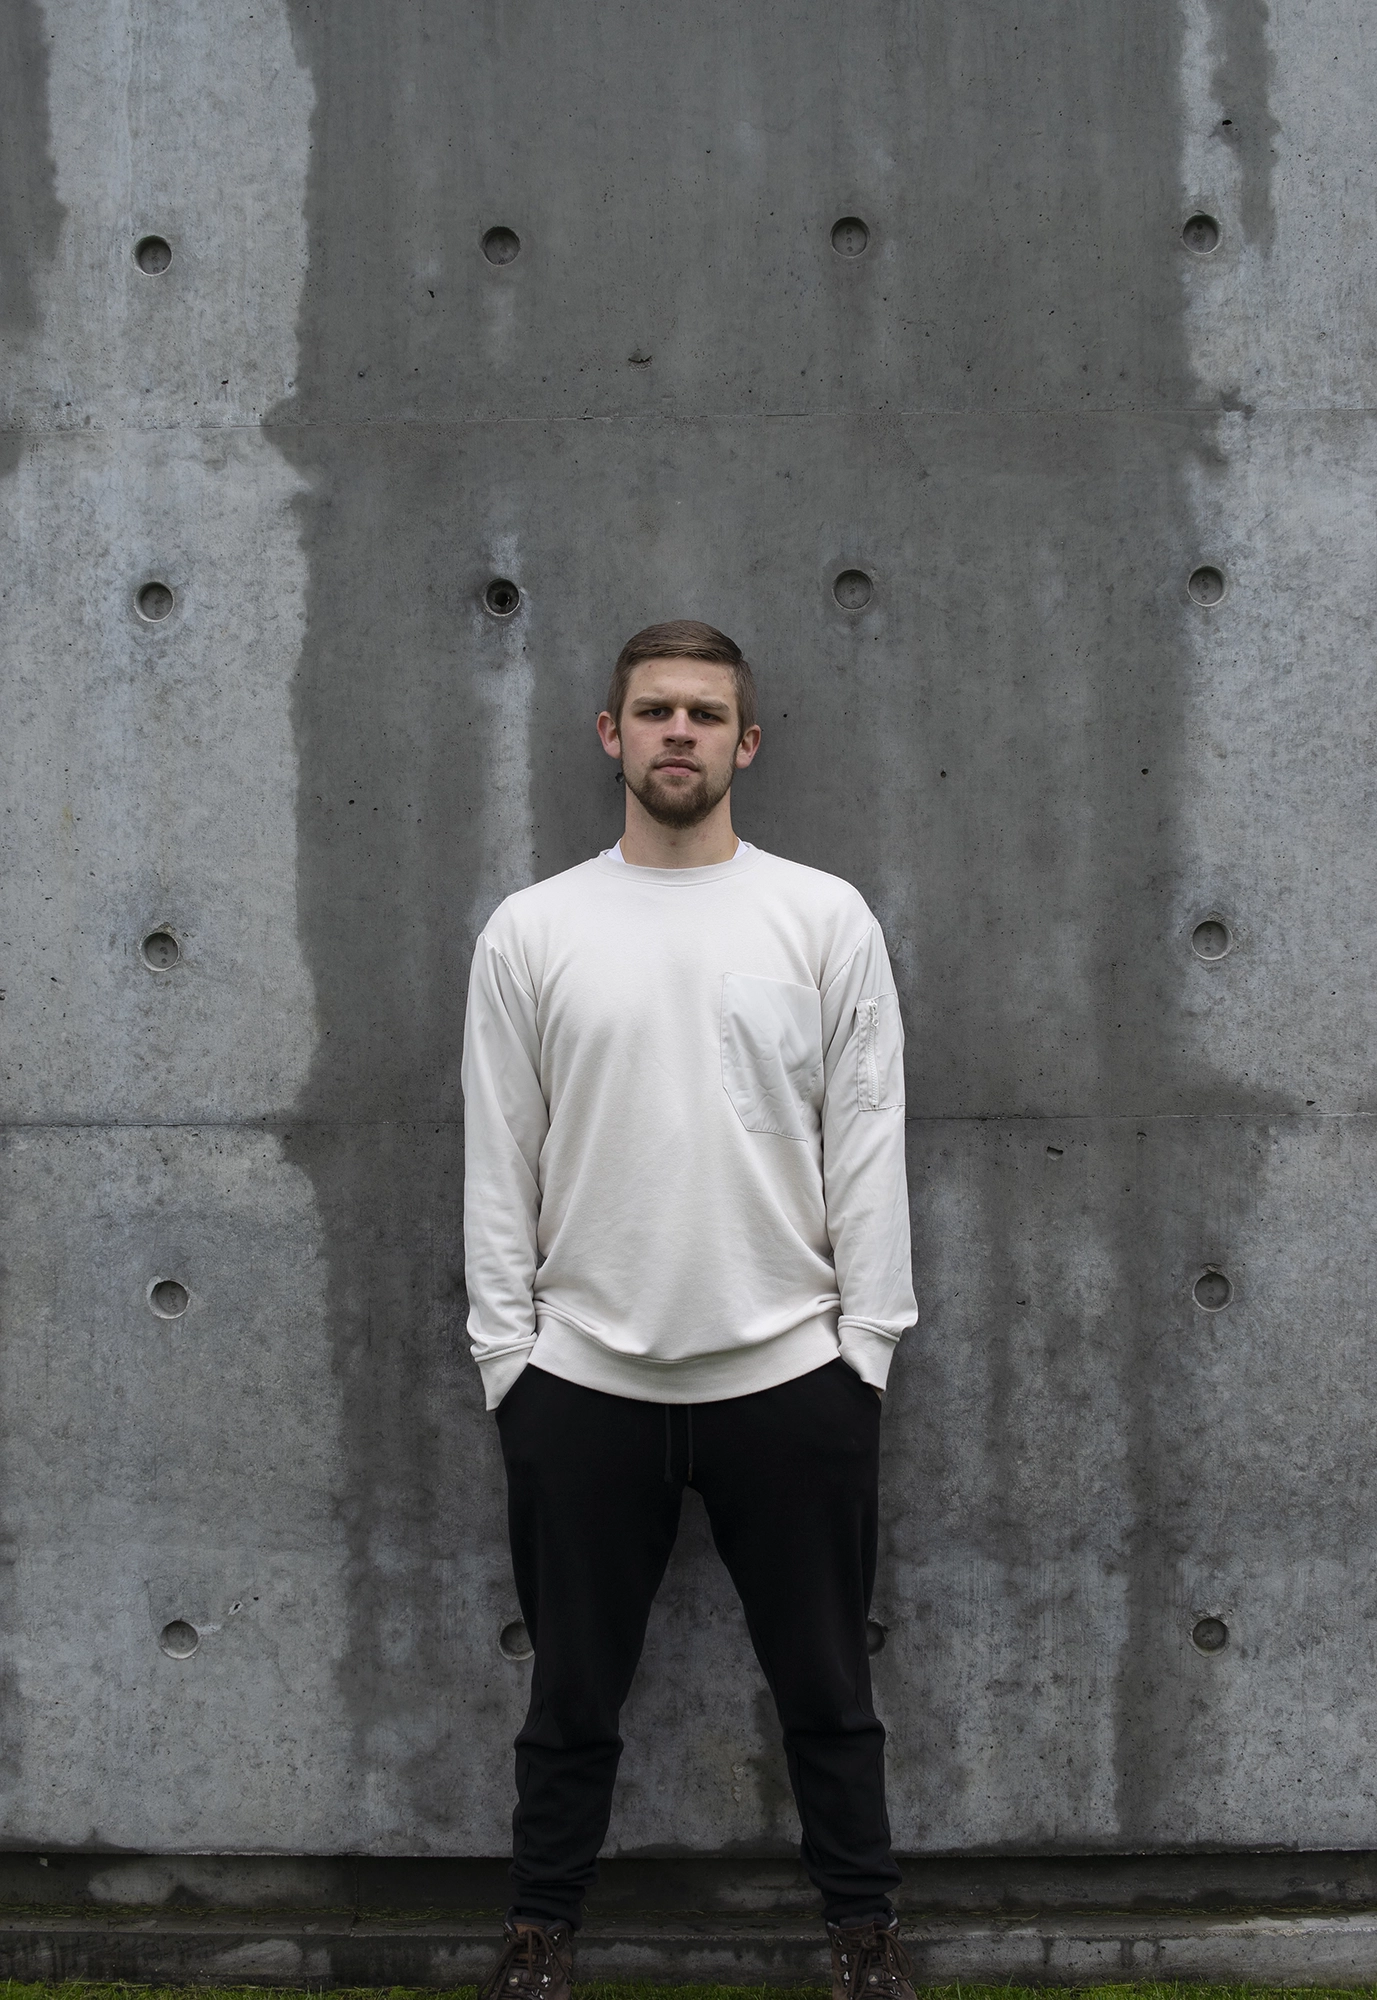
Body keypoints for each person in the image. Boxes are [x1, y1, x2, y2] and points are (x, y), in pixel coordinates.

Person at [463, 620, 918, 2000]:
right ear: (611, 734)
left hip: (791, 1375)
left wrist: (866, 1353)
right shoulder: (535, 929)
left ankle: (862, 1942)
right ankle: (540, 1942)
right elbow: (500, 1152)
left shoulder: (821, 917)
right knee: (570, 1705)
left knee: (832, 1697)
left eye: (705, 715)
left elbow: (867, 1137)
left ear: (745, 743)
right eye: (653, 710)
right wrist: (509, 1361)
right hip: (584, 1381)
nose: (678, 732)